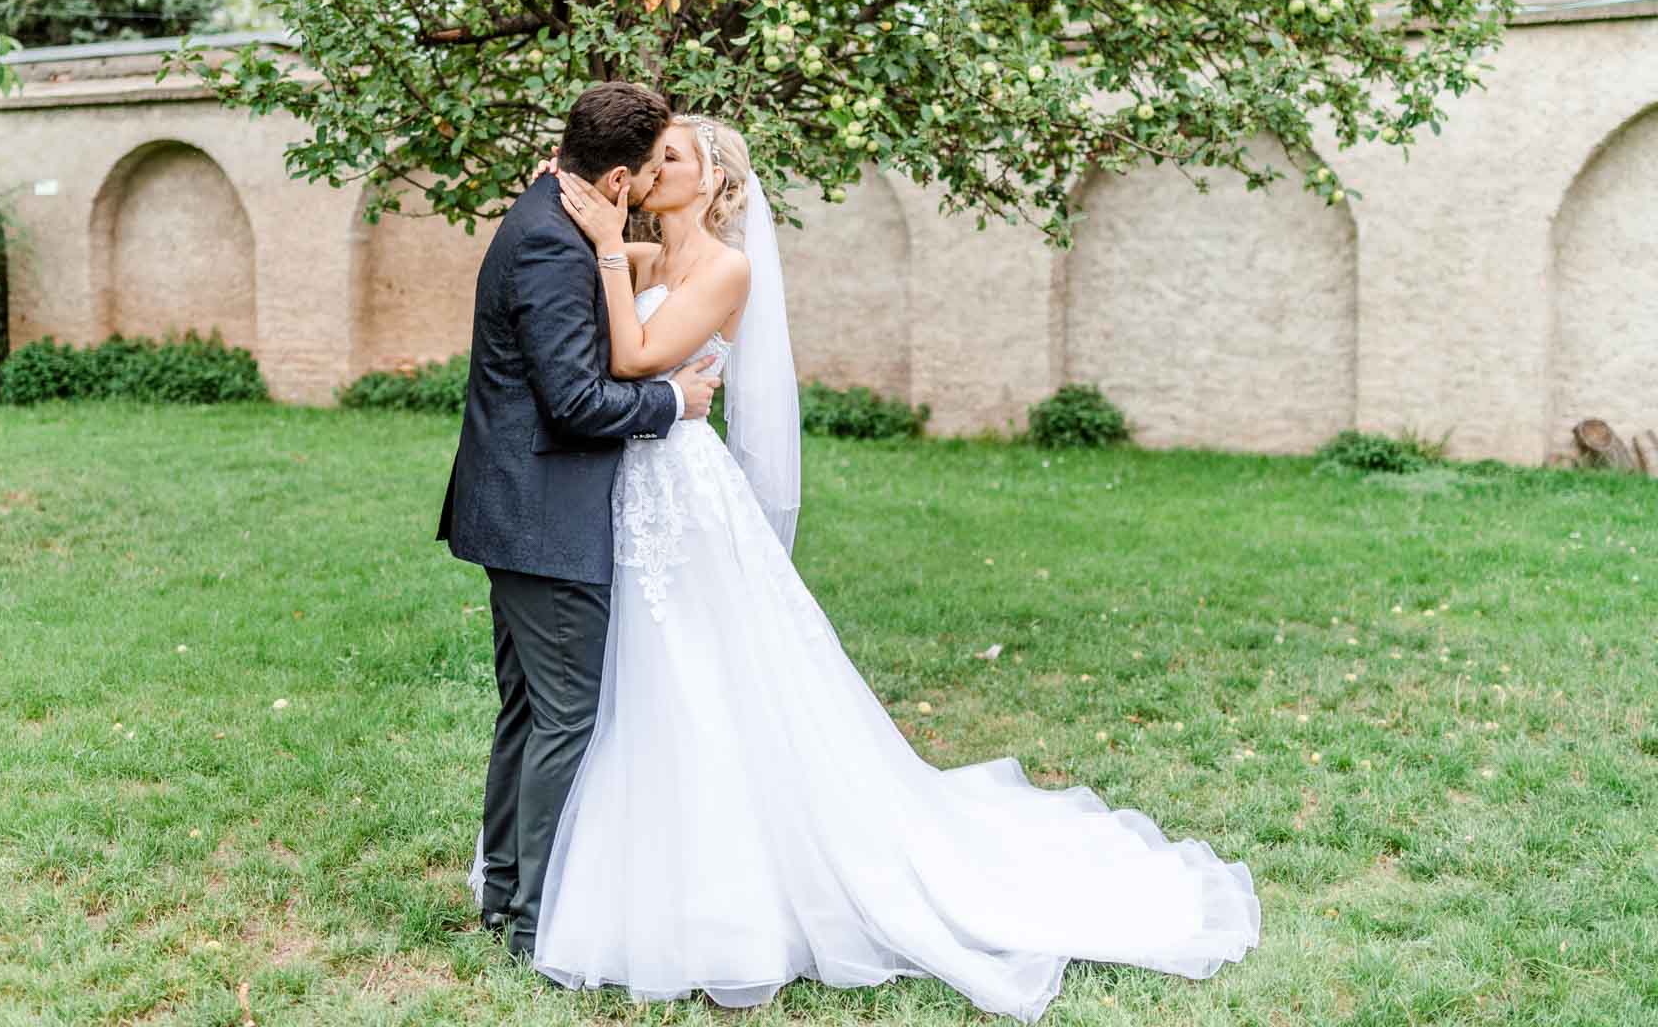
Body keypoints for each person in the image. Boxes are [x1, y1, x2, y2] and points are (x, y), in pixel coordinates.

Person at [467, 114, 1262, 1021]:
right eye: (646, 161)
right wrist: (574, 204)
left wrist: (611, 248)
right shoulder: (644, 256)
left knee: (696, 676)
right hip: (622, 491)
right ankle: (567, 873)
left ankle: (634, 888)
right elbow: (607, 313)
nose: (652, 170)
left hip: (681, 488)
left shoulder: (727, 267)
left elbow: (631, 355)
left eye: (671, 158)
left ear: (717, 182)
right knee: (615, 688)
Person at [437, 81, 724, 960]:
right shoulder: (555, 251)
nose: (640, 198)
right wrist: (673, 400)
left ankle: (504, 893)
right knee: (564, 717)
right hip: (543, 512)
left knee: (528, 712)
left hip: (519, 507)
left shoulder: (548, 218)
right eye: (638, 182)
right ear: (614, 179)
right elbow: (572, 403)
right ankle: (529, 921)